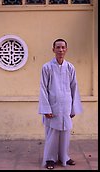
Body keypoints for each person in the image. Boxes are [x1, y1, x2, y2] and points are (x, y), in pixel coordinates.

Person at [38, 38, 83, 169]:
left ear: (66, 49)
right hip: (53, 106)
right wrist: (46, 109)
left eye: (63, 47)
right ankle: (50, 159)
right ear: (53, 49)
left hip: (66, 106)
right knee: (53, 133)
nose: (60, 50)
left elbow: (74, 87)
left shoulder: (70, 67)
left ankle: (64, 157)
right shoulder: (47, 67)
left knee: (65, 133)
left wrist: (73, 108)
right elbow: (43, 88)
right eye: (58, 47)